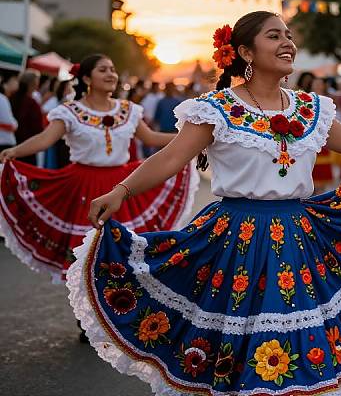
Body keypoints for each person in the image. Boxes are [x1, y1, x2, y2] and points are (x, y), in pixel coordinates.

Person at [68, 12, 341, 396]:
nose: (287, 42)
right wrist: (121, 191)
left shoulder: (309, 107)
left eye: (288, 35)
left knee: (296, 347)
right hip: (236, 238)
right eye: (274, 36)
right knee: (239, 346)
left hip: (298, 238)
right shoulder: (216, 108)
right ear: (245, 52)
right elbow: (170, 158)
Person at [0, 55, 199, 286]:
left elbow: (151, 137)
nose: (111, 74)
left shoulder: (128, 110)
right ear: (86, 78)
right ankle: (86, 312)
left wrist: (191, 139)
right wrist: (15, 151)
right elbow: (45, 139)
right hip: (82, 187)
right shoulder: (70, 111)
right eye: (103, 70)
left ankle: (113, 309)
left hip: (123, 186)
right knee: (87, 257)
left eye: (112, 69)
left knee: (123, 257)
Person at [10, 69, 43, 165]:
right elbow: (37, 128)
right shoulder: (32, 103)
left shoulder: (10, 97)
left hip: (11, 144)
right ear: (33, 84)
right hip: (27, 147)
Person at [0, 72, 19, 152]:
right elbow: (11, 124)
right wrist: (15, 124)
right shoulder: (2, 98)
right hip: (4, 142)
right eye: (14, 80)